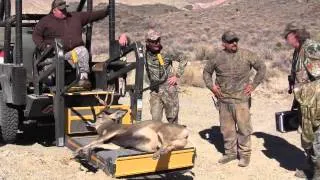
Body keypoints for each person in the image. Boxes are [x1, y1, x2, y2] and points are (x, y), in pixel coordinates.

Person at [203, 31, 266, 167]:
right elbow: (207, 72)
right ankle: (230, 153)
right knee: (227, 129)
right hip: (224, 100)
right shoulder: (216, 57)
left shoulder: (247, 54)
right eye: (231, 41)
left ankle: (245, 155)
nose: (234, 43)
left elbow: (261, 67)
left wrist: (253, 85)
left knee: (244, 129)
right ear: (223, 43)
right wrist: (212, 87)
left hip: (241, 100)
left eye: (236, 40)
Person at [32, 0, 128, 89]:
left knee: (82, 50)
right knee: (49, 75)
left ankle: (83, 79)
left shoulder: (75, 17)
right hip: (53, 56)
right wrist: (44, 47)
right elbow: (36, 35)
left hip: (71, 55)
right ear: (54, 10)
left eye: (65, 8)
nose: (64, 11)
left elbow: (92, 15)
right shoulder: (45, 21)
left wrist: (106, 11)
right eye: (61, 10)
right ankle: (52, 82)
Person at [283, 22, 320, 179]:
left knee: (316, 136)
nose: (286, 40)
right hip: (304, 101)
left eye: (287, 37)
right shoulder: (297, 51)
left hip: (315, 101)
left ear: (295, 35)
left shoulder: (311, 47)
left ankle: (318, 172)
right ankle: (311, 168)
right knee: (307, 136)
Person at [145, 29, 187, 124]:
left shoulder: (166, 52)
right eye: (153, 41)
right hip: (155, 91)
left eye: (158, 40)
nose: (157, 43)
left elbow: (183, 58)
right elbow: (127, 46)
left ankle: (173, 137)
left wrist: (177, 76)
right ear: (147, 42)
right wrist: (124, 37)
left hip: (169, 89)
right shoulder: (143, 53)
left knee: (172, 119)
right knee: (155, 121)